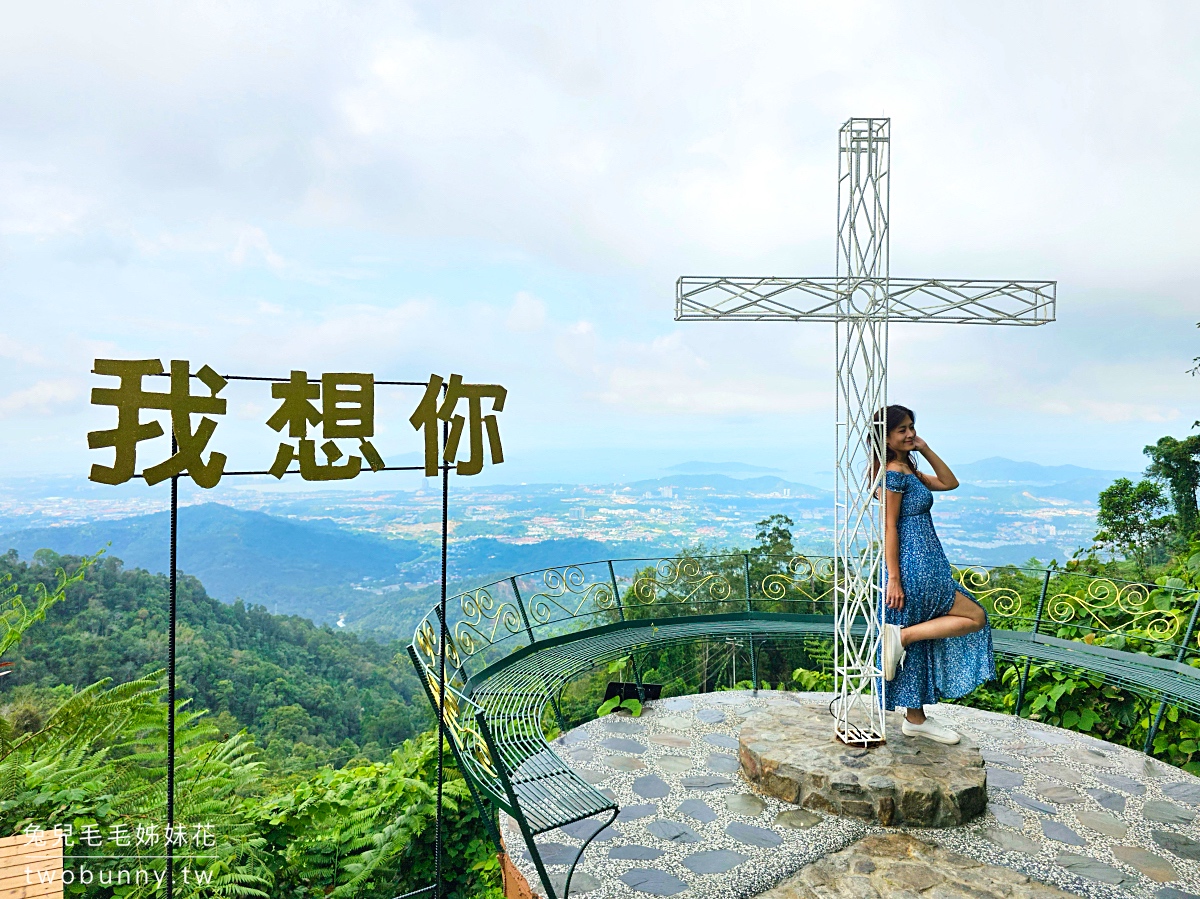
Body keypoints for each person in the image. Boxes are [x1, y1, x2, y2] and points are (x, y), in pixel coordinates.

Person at [877, 404, 996, 745]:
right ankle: (905, 640)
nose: (910, 433)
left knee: (945, 624)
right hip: (915, 565)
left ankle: (915, 717)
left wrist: (924, 448)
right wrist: (895, 578)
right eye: (902, 430)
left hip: (928, 562)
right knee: (975, 616)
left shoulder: (906, 470)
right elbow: (889, 526)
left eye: (912, 427)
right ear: (885, 437)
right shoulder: (894, 474)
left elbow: (949, 482)